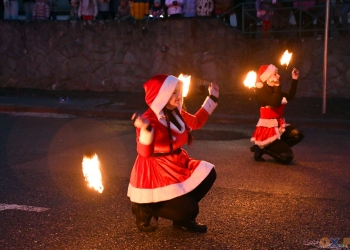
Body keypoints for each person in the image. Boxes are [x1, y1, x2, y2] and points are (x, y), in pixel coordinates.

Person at [128, 74, 219, 233]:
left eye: (179, 91)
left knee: (209, 173)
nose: (178, 96)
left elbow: (196, 122)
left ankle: (181, 219)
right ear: (161, 95)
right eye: (173, 93)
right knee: (190, 210)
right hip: (156, 171)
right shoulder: (150, 118)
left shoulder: (176, 111)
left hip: (176, 163)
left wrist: (212, 98)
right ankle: (144, 207)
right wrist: (145, 130)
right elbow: (144, 152)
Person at [250, 64, 304, 164]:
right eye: (275, 74)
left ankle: (275, 147)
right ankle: (263, 148)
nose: (278, 76)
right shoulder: (261, 92)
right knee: (287, 157)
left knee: (298, 134)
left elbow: (290, 96)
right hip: (268, 131)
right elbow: (275, 103)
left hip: (279, 127)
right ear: (268, 78)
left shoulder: (275, 90)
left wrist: (294, 79)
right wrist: (277, 86)